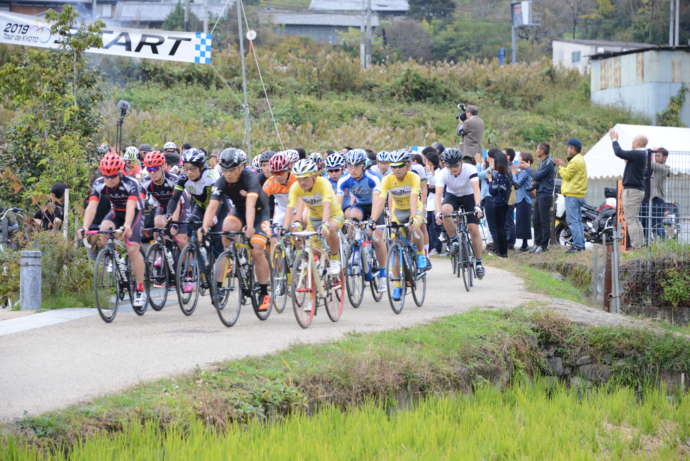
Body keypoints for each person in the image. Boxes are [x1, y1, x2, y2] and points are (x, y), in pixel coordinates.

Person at [202, 148, 272, 311]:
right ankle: (220, 282)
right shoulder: (221, 181)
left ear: (242, 167)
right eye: (225, 170)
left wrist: (249, 225)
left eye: (232, 169)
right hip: (239, 211)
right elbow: (212, 206)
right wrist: (204, 226)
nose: (228, 174)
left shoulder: (250, 178)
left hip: (260, 212)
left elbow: (251, 204)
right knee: (226, 229)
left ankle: (263, 291)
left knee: (257, 249)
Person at [78, 153, 147, 308]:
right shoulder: (99, 183)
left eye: (113, 176)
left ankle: (140, 289)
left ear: (120, 172)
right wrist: (85, 227)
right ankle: (115, 258)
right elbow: (92, 206)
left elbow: (131, 206)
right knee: (103, 231)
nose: (109, 180)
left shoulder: (131, 183)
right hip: (116, 212)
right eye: (106, 176)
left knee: (132, 248)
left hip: (134, 213)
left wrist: (127, 225)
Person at [370, 150, 427, 301]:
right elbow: (381, 200)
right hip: (398, 211)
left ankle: (421, 254)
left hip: (414, 208)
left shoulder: (413, 177)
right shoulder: (388, 179)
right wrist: (373, 220)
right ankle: (396, 286)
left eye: (400, 166)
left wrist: (414, 218)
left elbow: (415, 196)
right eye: (393, 167)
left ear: (407, 165)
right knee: (395, 246)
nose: (397, 170)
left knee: (415, 230)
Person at [283, 158, 344, 276]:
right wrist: (285, 227)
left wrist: (325, 224)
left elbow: (326, 205)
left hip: (333, 215)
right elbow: (290, 208)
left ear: (314, 176)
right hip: (314, 218)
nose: (302, 182)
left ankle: (334, 258)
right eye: (299, 179)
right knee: (312, 249)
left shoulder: (323, 184)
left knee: (330, 229)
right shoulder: (296, 187)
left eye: (305, 178)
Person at [337, 149, 386, 288]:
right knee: (353, 219)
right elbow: (337, 202)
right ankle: (355, 252)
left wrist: (373, 220)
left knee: (376, 239)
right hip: (360, 206)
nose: (352, 170)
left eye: (356, 166)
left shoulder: (373, 177)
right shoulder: (345, 179)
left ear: (363, 165)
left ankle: (383, 273)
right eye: (349, 166)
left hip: (375, 206)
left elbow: (378, 200)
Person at [434, 148, 486, 277]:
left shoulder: (470, 169)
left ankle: (479, 262)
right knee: (445, 210)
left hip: (469, 196)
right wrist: (437, 213)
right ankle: (454, 239)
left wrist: (478, 206)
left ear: (461, 162)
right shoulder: (442, 174)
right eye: (450, 166)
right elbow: (438, 195)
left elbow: (476, 189)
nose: (453, 169)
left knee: (473, 228)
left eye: (456, 165)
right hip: (452, 196)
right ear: (445, 165)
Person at [610, 130, 648, 249]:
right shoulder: (642, 154)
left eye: (633, 140)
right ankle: (640, 244)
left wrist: (614, 140)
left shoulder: (638, 153)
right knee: (635, 219)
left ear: (637, 142)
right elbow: (626, 157)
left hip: (632, 190)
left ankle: (636, 245)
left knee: (630, 219)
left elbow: (619, 152)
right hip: (636, 190)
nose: (632, 142)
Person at [554, 138, 588, 254]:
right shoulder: (579, 159)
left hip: (573, 195)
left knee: (573, 221)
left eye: (568, 147)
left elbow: (566, 175)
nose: (567, 149)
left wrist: (560, 167)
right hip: (578, 194)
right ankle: (580, 244)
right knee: (577, 221)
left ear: (573, 148)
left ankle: (578, 246)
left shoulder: (575, 161)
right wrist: (564, 165)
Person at [528, 142, 555, 253]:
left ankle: (543, 246)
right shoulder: (542, 162)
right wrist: (531, 187)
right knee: (536, 220)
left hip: (546, 195)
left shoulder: (548, 163)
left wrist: (528, 168)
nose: (536, 151)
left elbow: (537, 176)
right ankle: (537, 243)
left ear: (542, 151)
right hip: (540, 194)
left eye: (537, 149)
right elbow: (539, 180)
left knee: (544, 221)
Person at [641, 148, 671, 240]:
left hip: (657, 199)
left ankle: (664, 241)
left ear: (665, 157)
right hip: (647, 198)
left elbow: (649, 164)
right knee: (645, 223)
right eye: (655, 156)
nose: (656, 157)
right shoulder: (652, 168)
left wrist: (648, 153)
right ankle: (646, 243)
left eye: (658, 155)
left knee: (656, 223)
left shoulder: (664, 168)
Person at [263, 151, 296, 229]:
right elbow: (260, 202)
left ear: (288, 170)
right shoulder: (270, 183)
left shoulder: (296, 179)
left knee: (293, 229)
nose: (278, 176)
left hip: (297, 208)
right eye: (274, 173)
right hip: (281, 209)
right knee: (274, 233)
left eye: (280, 172)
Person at [487, 152, 511, 258]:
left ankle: (501, 252)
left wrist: (490, 180)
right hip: (504, 203)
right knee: (502, 228)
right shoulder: (507, 174)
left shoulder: (499, 176)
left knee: (499, 228)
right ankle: (504, 252)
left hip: (498, 204)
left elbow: (492, 191)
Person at [513, 152, 534, 252]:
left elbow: (517, 184)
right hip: (521, 200)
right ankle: (523, 244)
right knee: (521, 222)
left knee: (524, 223)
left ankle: (525, 245)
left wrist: (513, 174)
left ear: (528, 162)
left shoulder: (525, 172)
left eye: (521, 162)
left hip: (524, 200)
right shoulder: (522, 171)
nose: (519, 164)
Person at [423, 149, 442, 255]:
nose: (426, 164)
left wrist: (430, 186)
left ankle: (436, 247)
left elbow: (436, 186)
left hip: (437, 202)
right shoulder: (428, 173)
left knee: (435, 227)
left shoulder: (439, 173)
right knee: (429, 226)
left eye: (427, 162)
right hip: (429, 203)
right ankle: (430, 247)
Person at [504, 148, 517, 250]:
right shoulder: (506, 166)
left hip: (510, 197)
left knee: (509, 219)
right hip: (506, 196)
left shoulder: (511, 167)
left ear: (508, 157)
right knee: (506, 219)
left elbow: (514, 182)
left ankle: (510, 242)